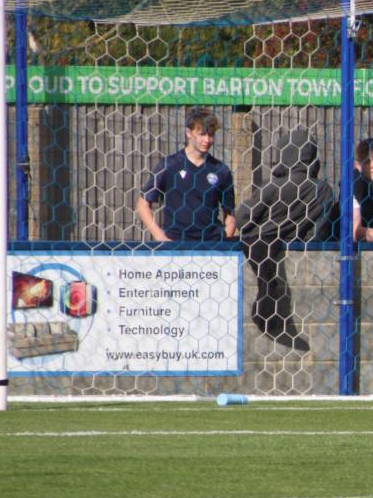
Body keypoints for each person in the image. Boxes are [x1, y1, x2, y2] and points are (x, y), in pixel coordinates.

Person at [237, 127, 336, 352]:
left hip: (260, 242)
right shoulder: (322, 190)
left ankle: (268, 306)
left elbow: (243, 217)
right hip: (292, 244)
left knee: (267, 279)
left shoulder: (274, 186)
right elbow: (320, 227)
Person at [136, 108, 236, 242]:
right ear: (188, 132)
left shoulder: (221, 170)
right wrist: (161, 237)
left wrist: (224, 241)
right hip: (177, 243)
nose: (207, 140)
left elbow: (230, 214)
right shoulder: (169, 165)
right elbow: (142, 205)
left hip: (211, 245)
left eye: (211, 135)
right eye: (202, 134)